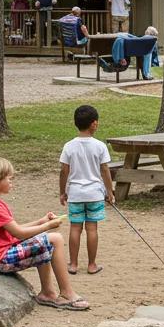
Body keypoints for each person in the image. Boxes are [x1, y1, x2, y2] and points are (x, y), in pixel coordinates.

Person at [0, 157, 88, 310]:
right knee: (55, 238)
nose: (11, 182)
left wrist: (41, 222)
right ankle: (67, 293)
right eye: (9, 179)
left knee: (42, 242)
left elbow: (15, 231)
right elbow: (20, 233)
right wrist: (48, 226)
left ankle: (47, 293)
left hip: (1, 253)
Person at [59, 104, 114, 275]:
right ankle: (91, 264)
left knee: (75, 228)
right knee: (92, 229)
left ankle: (73, 264)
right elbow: (105, 170)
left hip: (75, 193)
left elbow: (64, 171)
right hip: (94, 194)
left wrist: (62, 191)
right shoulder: (100, 146)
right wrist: (110, 192)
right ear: (94, 124)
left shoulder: (69, 146)